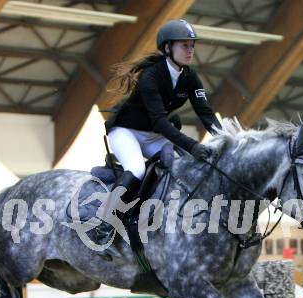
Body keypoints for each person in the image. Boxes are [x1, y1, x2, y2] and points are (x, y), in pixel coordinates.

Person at [88, 19, 221, 240]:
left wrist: (231, 139)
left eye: (192, 45)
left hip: (153, 136)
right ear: (168, 48)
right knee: (137, 169)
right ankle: (104, 223)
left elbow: (206, 114)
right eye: (184, 45)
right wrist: (192, 145)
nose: (190, 50)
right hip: (126, 131)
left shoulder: (191, 77)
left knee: (185, 168)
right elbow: (160, 121)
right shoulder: (151, 76)